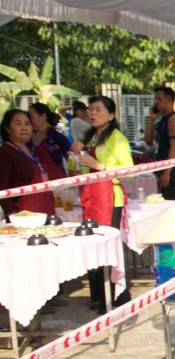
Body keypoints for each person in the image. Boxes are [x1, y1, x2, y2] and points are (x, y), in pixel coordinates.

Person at [70, 96, 133, 313]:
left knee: (108, 247)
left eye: (97, 109)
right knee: (92, 245)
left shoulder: (117, 138)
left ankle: (117, 295)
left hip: (109, 199)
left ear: (111, 114)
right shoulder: (90, 137)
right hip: (91, 198)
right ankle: (98, 294)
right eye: (90, 110)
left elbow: (130, 171)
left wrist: (100, 165)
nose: (92, 113)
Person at [0, 109, 64, 217]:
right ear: (8, 129)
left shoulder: (36, 150)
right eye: (18, 124)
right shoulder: (5, 152)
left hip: (46, 211)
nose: (24, 128)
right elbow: (1, 189)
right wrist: (12, 216)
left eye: (27, 124)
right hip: (22, 216)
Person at [143, 86, 175, 200]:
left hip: (171, 170)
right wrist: (151, 119)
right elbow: (148, 140)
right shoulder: (163, 119)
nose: (156, 102)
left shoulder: (174, 119)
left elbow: (174, 148)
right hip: (161, 166)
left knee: (171, 201)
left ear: (168, 100)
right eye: (155, 99)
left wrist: (167, 173)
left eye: (159, 99)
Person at [28, 103, 71, 173]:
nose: (28, 119)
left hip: (55, 180)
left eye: (30, 116)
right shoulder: (27, 138)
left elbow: (70, 161)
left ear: (43, 116)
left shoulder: (58, 138)